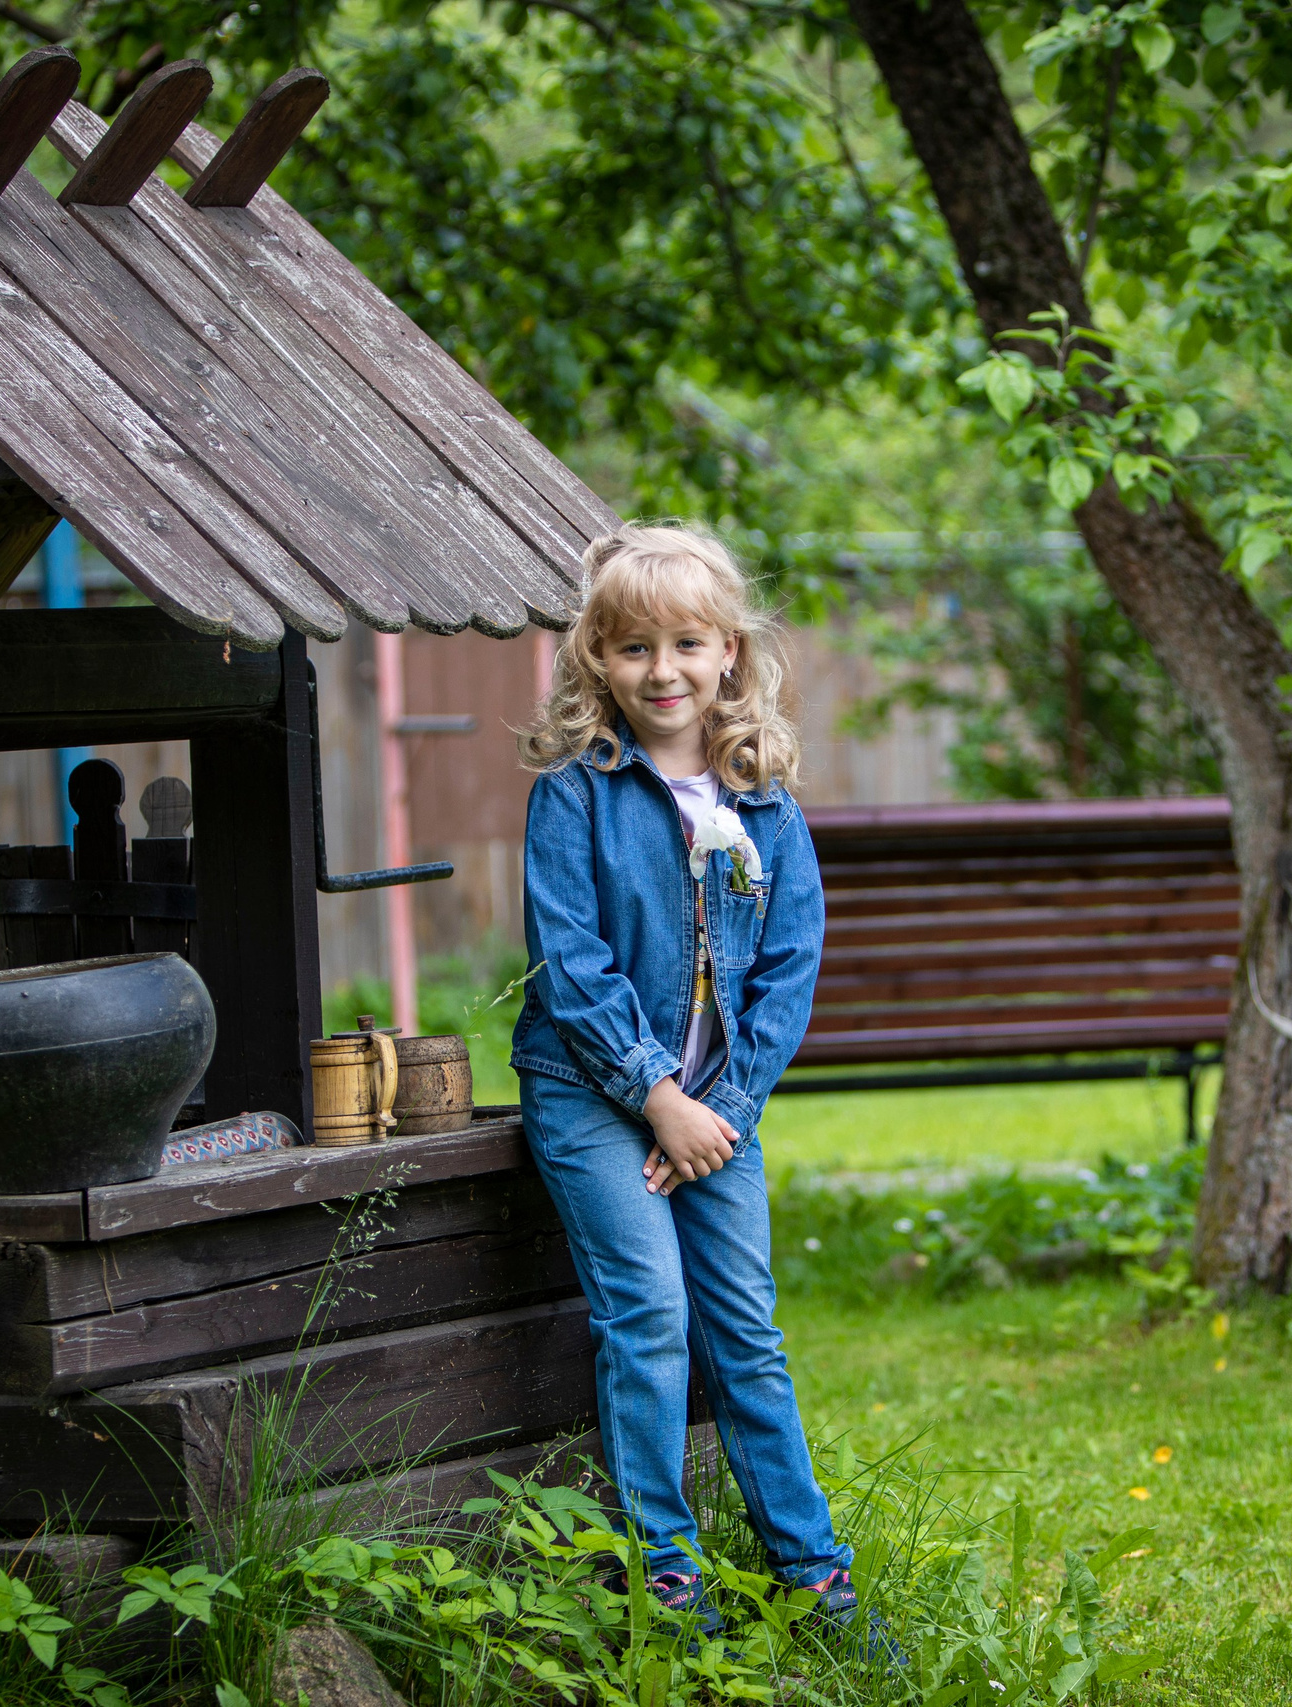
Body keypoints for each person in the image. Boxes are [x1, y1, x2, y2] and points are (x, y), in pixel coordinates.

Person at [512, 523, 870, 1642]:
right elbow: (572, 967)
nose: (659, 672)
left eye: (684, 644)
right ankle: (666, 1578)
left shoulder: (765, 802)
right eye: (630, 649)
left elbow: (788, 971)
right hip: (589, 1090)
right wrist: (654, 1095)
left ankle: (813, 1575)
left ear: (728, 654)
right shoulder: (575, 793)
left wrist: (719, 1109)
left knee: (746, 1330)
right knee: (651, 1317)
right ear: (595, 662)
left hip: (716, 1108)